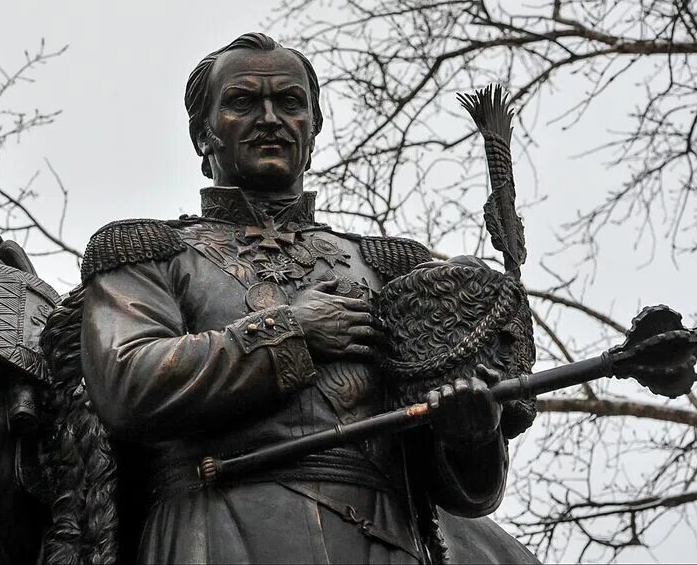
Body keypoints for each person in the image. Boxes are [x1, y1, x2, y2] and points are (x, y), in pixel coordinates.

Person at [38, 32, 535, 564]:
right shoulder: (148, 252)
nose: (270, 118)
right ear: (203, 134)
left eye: (290, 103)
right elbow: (129, 383)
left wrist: (472, 436)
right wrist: (292, 332)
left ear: (313, 128)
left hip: (382, 540)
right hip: (215, 530)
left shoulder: (392, 268)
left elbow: (467, 492)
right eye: (243, 102)